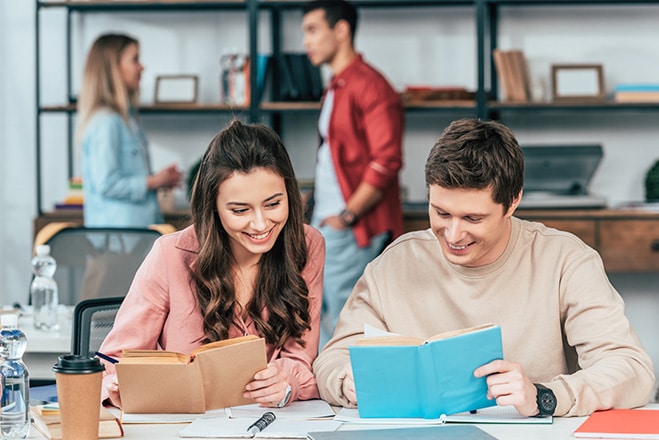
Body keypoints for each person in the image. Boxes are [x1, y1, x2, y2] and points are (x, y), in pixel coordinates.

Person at [313, 118, 655, 417]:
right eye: (441, 213)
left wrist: (545, 396)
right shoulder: (395, 263)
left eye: (473, 218)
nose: (453, 234)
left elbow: (633, 370)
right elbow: (332, 359)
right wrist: (347, 381)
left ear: (513, 201)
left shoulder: (565, 260)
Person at [98, 119, 325, 409]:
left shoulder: (307, 245)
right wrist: (119, 388)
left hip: (271, 424)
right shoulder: (171, 254)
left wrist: (287, 381)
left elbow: (301, 356)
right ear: (213, 208)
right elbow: (115, 361)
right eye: (240, 210)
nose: (260, 224)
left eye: (273, 204)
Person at [301, 0, 404, 345]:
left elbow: (386, 160)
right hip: (327, 221)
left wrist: (347, 215)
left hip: (351, 225)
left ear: (341, 30)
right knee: (325, 311)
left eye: (313, 30)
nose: (307, 42)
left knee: (344, 316)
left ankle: (342, 392)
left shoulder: (370, 85)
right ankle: (329, 391)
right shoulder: (337, 85)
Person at [77, 33, 183, 227]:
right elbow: (106, 184)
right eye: (135, 60)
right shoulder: (106, 122)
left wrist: (158, 180)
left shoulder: (127, 118)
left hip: (136, 234)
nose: (142, 67)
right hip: (119, 240)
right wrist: (154, 181)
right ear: (113, 68)